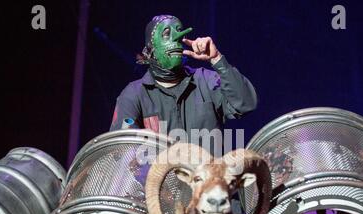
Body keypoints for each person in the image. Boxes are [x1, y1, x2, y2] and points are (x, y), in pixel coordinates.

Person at [109, 14, 258, 152]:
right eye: (167, 34)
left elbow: (246, 104)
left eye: (179, 31)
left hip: (209, 179)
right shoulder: (134, 94)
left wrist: (217, 59)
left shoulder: (205, 80)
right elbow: (121, 149)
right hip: (161, 179)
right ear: (150, 48)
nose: (177, 38)